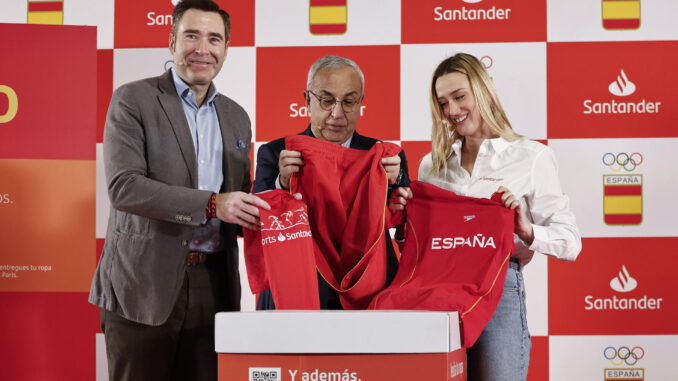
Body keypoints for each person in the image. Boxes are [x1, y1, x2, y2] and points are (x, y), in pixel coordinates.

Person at [88, 1, 270, 380]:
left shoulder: (237, 116)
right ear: (171, 42)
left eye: (214, 38)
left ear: (225, 49)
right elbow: (124, 187)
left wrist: (283, 192)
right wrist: (211, 204)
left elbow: (239, 197)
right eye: (191, 35)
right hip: (143, 284)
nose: (202, 48)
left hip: (214, 286)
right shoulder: (132, 99)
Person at [390, 53, 581, 381]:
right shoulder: (430, 166)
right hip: (436, 289)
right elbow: (415, 244)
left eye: (460, 97)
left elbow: (571, 243)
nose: (452, 111)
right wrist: (403, 220)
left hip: (499, 287)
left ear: (484, 90)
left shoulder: (532, 157)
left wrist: (525, 228)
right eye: (443, 103)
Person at [253, 55, 410, 310]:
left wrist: (396, 182)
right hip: (297, 285)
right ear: (307, 100)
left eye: (349, 101)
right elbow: (257, 220)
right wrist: (282, 182)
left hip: (368, 290)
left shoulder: (384, 156)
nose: (337, 114)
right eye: (326, 101)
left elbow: (406, 221)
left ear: (361, 102)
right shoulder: (276, 152)